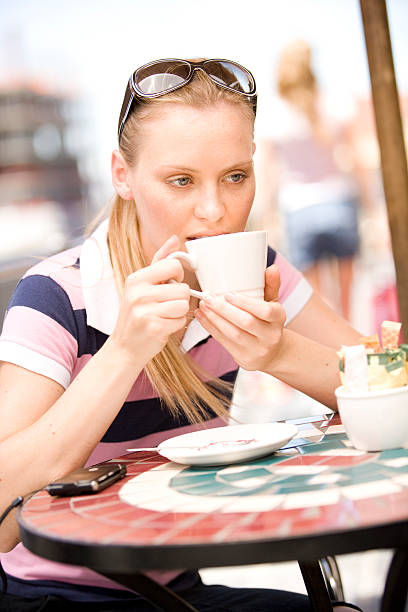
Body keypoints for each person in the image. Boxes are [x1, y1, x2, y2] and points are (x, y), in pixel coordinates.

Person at [0, 58, 363, 611]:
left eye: (235, 177)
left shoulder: (256, 271)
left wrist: (283, 352)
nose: (215, 210)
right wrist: (123, 351)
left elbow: (390, 386)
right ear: (122, 175)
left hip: (178, 590)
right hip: (55, 593)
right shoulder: (59, 295)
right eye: (181, 180)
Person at [257, 40, 369, 320]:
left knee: (318, 299)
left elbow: (269, 174)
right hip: (339, 203)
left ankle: (334, 353)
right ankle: (353, 346)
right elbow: (355, 158)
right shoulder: (334, 105)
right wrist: (368, 199)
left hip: (299, 210)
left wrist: (265, 215)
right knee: (347, 295)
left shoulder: (274, 114)